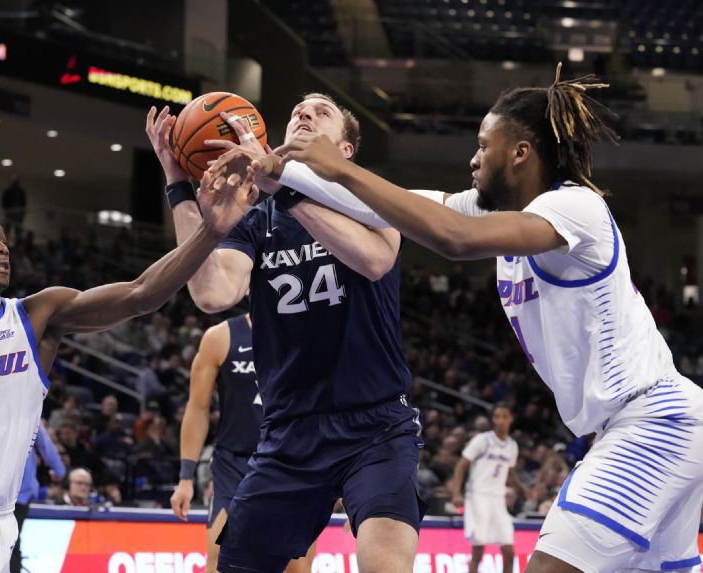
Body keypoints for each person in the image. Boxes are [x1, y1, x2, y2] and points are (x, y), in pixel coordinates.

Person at [267, 64, 703, 573]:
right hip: (641, 425)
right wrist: (280, 173)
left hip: (653, 419)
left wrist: (339, 167)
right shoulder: (497, 211)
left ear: (520, 152)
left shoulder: (576, 207)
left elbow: (453, 238)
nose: (473, 159)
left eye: (482, 144)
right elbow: (396, 208)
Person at [0, 160, 258, 573]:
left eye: (3, 241)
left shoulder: (37, 317)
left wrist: (211, 231)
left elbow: (140, 294)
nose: (2, 248)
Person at [147, 94, 424, 573]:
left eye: (323, 111)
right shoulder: (257, 219)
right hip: (289, 430)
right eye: (297, 108)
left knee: (385, 563)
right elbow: (213, 293)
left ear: (345, 150)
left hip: (375, 423)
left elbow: (375, 261)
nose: (304, 111)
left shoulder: (371, 198)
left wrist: (285, 189)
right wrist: (178, 184)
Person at [169, 314, 315, 573]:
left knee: (297, 567)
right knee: (219, 560)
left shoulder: (309, 333)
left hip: (292, 465)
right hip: (234, 463)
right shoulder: (220, 337)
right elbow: (198, 408)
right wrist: (185, 478)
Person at [449, 404, 522, 573]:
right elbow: (461, 466)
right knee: (478, 551)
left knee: (509, 552)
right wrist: (456, 493)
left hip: (498, 499)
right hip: (478, 496)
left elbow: (509, 474)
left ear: (511, 419)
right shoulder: (482, 440)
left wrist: (523, 489)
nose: (500, 420)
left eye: (504, 416)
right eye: (496, 416)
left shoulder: (512, 446)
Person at [11, 422, 66, 573]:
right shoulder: (28, 411)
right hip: (12, 492)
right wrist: (59, 470)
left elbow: (45, 445)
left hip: (13, 492)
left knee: (9, 543)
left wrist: (59, 469)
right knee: (10, 543)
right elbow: (46, 446)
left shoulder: (28, 415)